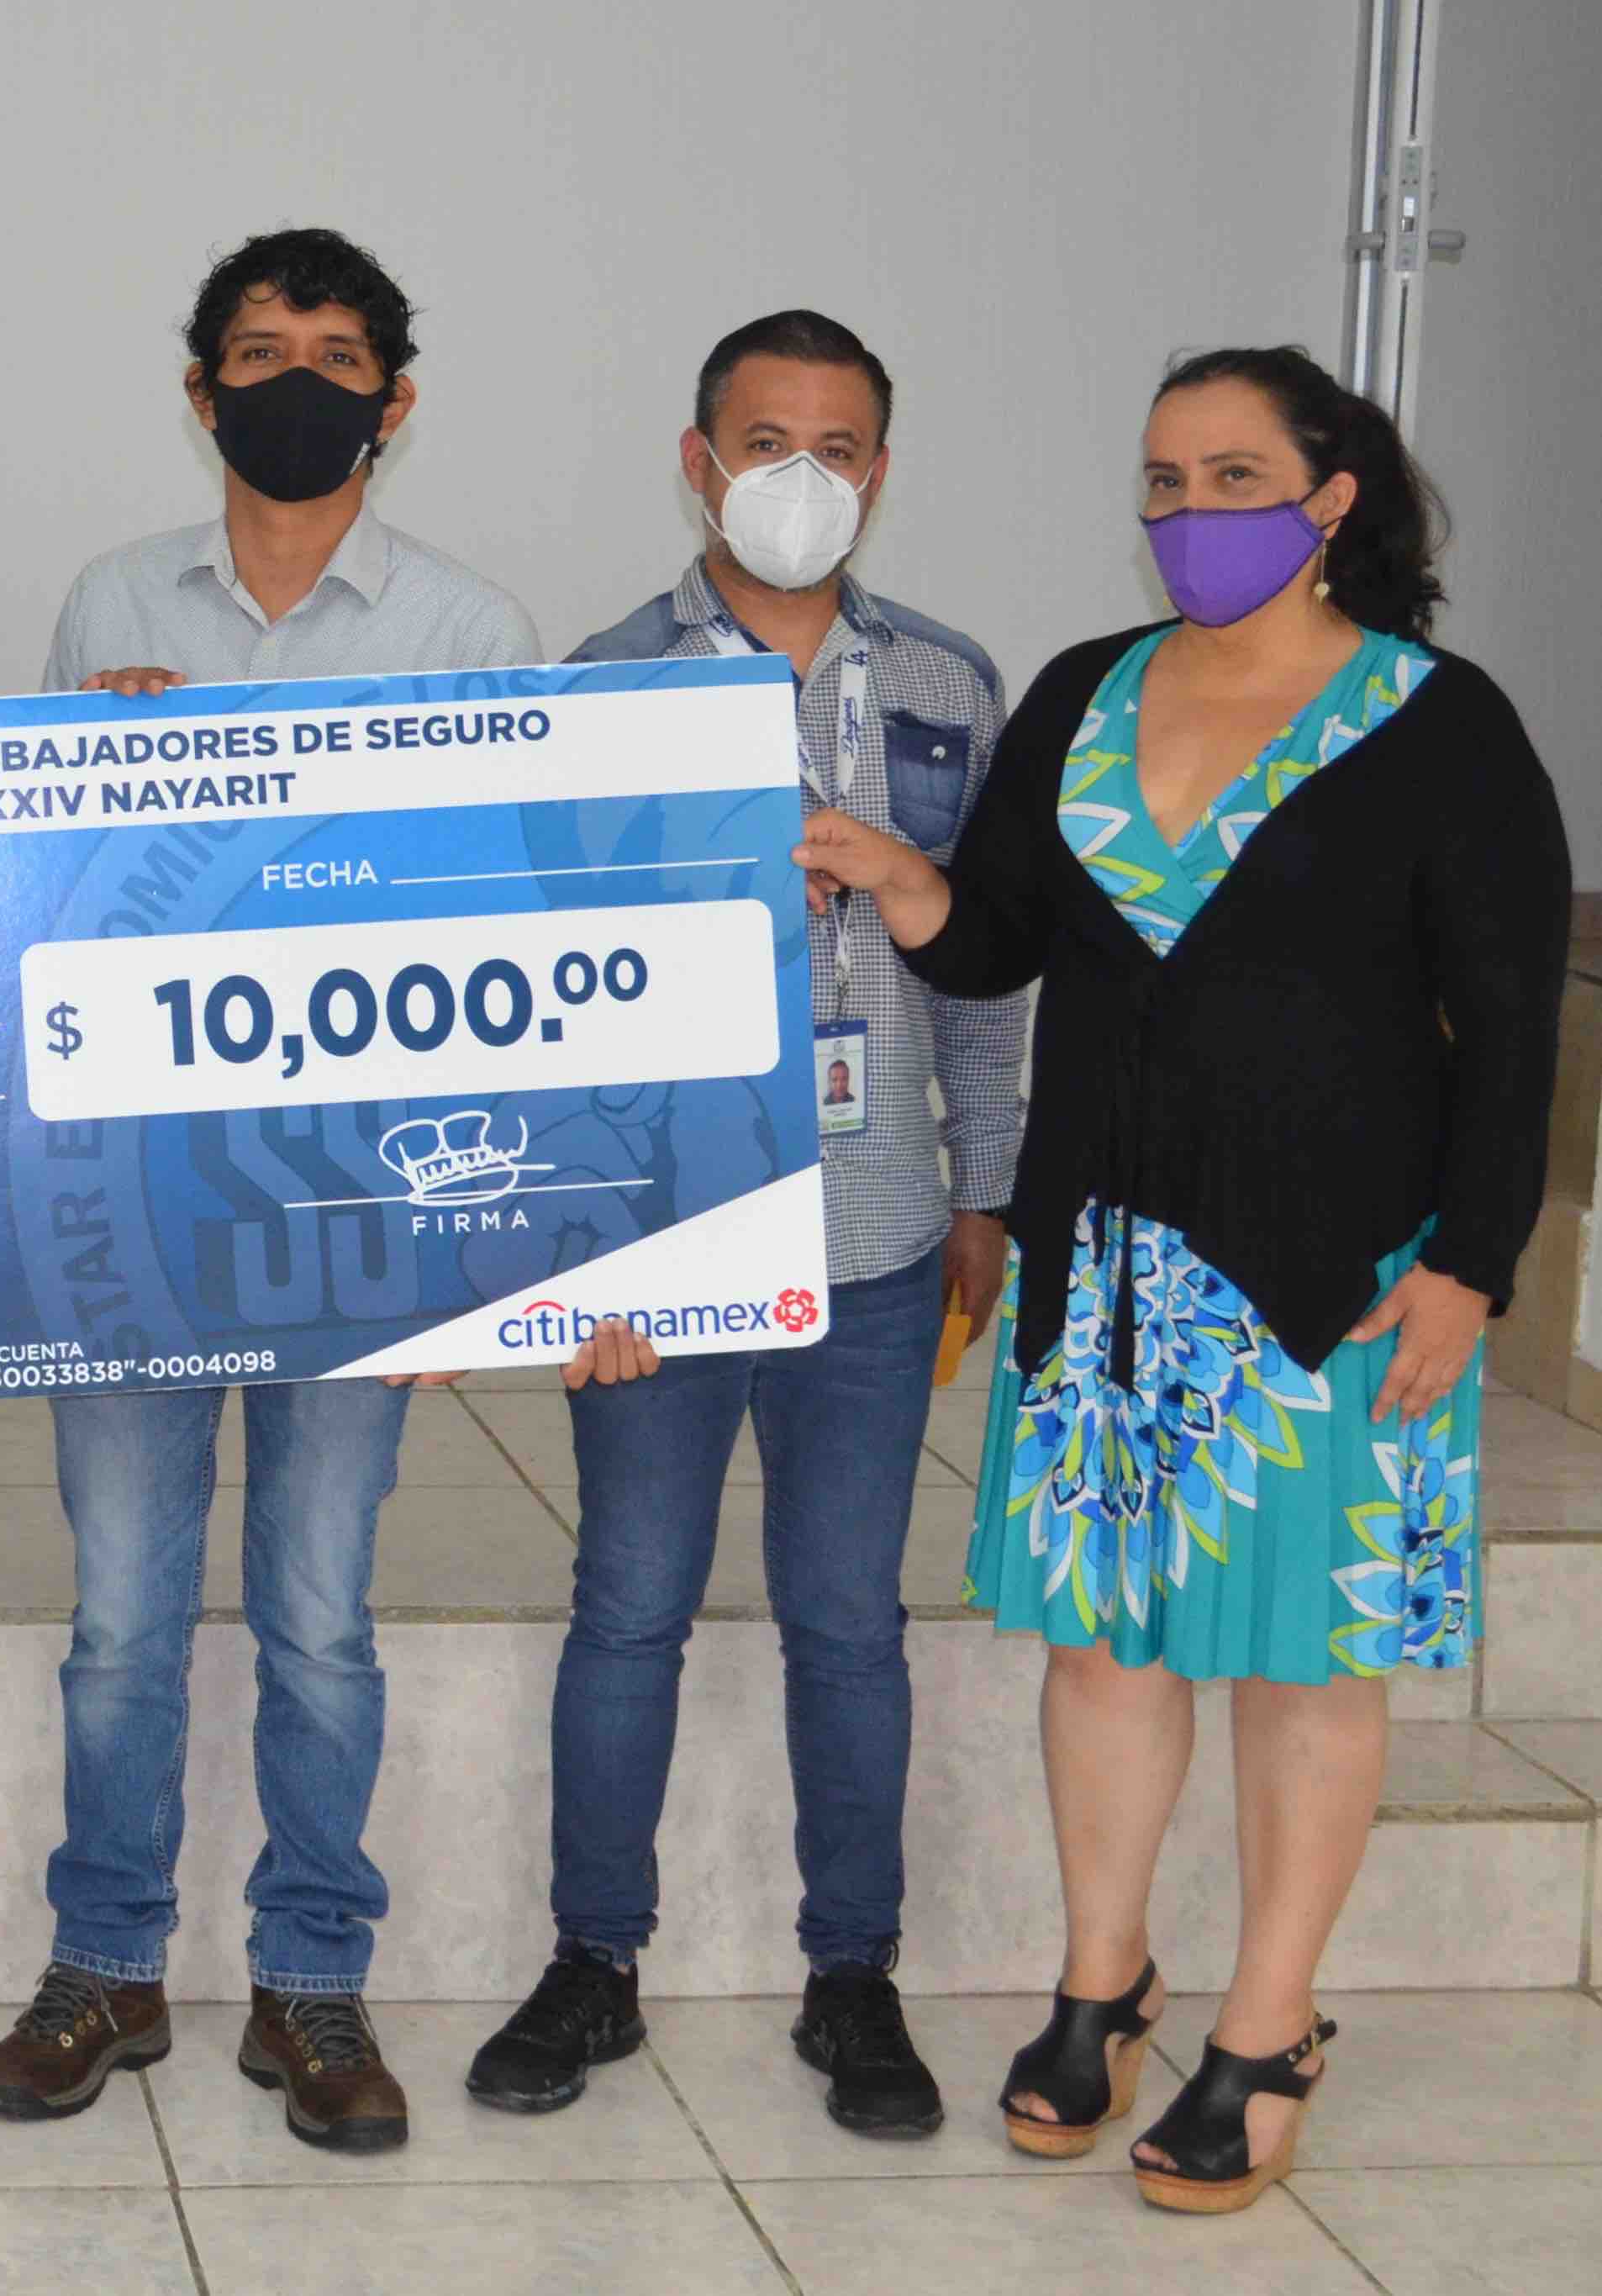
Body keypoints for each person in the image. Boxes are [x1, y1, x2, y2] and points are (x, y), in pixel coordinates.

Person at [797, 345, 1565, 2210]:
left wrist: (1473, 1265)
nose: (1186, 514)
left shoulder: (1440, 721)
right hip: (1105, 1272)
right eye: (1161, 480)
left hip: (1340, 1285)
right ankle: (1102, 1985)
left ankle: (1267, 2028)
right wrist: (897, 879)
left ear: (1331, 498)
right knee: (1104, 1649)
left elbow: (1512, 1026)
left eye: (1231, 477)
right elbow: (995, 943)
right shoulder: (1085, 689)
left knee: (1308, 1665)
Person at [0, 229, 540, 2156]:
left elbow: (513, 946)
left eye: (339, 353)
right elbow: (46, 906)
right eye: (261, 350)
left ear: (396, 397)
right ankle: (106, 1963)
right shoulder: (112, 599)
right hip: (135, 1206)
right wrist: (91, 759)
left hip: (363, 1214)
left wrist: (476, 1247)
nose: (299, 380)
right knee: (123, 1619)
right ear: (202, 390)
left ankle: (310, 1979)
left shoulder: (470, 630)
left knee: (320, 1617)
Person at [466, 312, 1022, 2139]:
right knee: (628, 1605)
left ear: (882, 467)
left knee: (847, 1619)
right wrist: (577, 1240)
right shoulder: (601, 684)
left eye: (838, 445)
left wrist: (988, 1187)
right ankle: (591, 1960)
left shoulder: (947, 683)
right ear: (698, 462)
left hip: (877, 1230)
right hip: (665, 1242)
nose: (802, 476)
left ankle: (852, 1975)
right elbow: (542, 991)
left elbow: (987, 963)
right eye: (765, 441)